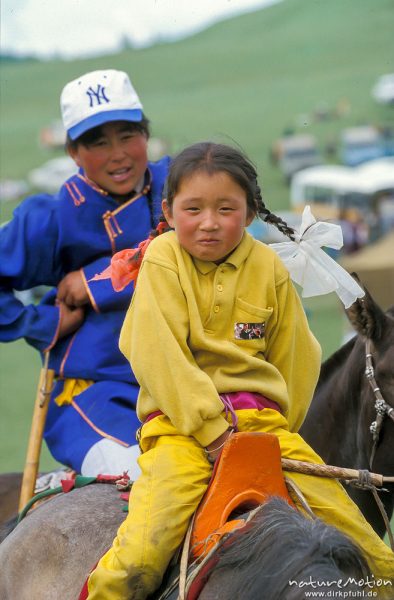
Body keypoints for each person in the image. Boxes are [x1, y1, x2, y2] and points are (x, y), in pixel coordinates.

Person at [86, 141, 394, 599]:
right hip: (180, 433)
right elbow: (155, 351)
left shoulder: (268, 266)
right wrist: (211, 428)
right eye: (194, 208)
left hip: (266, 433)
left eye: (225, 208)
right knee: (141, 555)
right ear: (169, 212)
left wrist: (277, 426)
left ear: (249, 213)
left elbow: (298, 356)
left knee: (375, 557)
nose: (209, 222)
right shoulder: (163, 260)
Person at [0, 69, 170, 478]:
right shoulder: (52, 217)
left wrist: (96, 282)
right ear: (73, 153)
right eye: (97, 142)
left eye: (129, 135)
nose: (119, 154)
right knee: (143, 479)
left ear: (146, 136)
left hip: (185, 381)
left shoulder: (181, 184)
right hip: (95, 391)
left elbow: (194, 247)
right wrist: (45, 321)